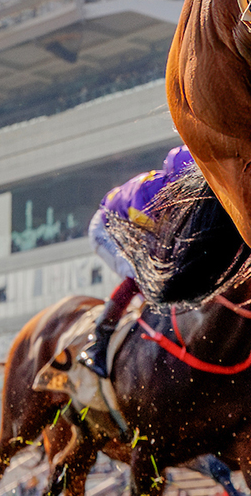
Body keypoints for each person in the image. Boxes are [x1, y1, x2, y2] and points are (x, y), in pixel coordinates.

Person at [78, 147, 196, 378]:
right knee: (139, 274)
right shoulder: (146, 198)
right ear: (173, 182)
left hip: (137, 229)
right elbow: (151, 252)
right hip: (109, 229)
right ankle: (98, 341)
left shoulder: (183, 199)